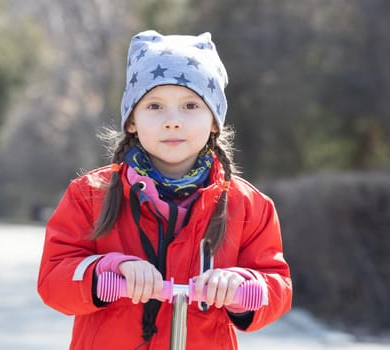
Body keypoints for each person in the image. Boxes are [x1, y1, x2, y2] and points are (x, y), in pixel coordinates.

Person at [37, 30, 292, 350]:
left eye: (190, 106)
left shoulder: (249, 206)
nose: (172, 121)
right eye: (155, 106)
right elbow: (53, 280)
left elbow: (276, 285)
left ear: (214, 121)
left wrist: (240, 287)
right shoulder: (90, 195)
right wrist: (108, 270)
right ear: (132, 121)